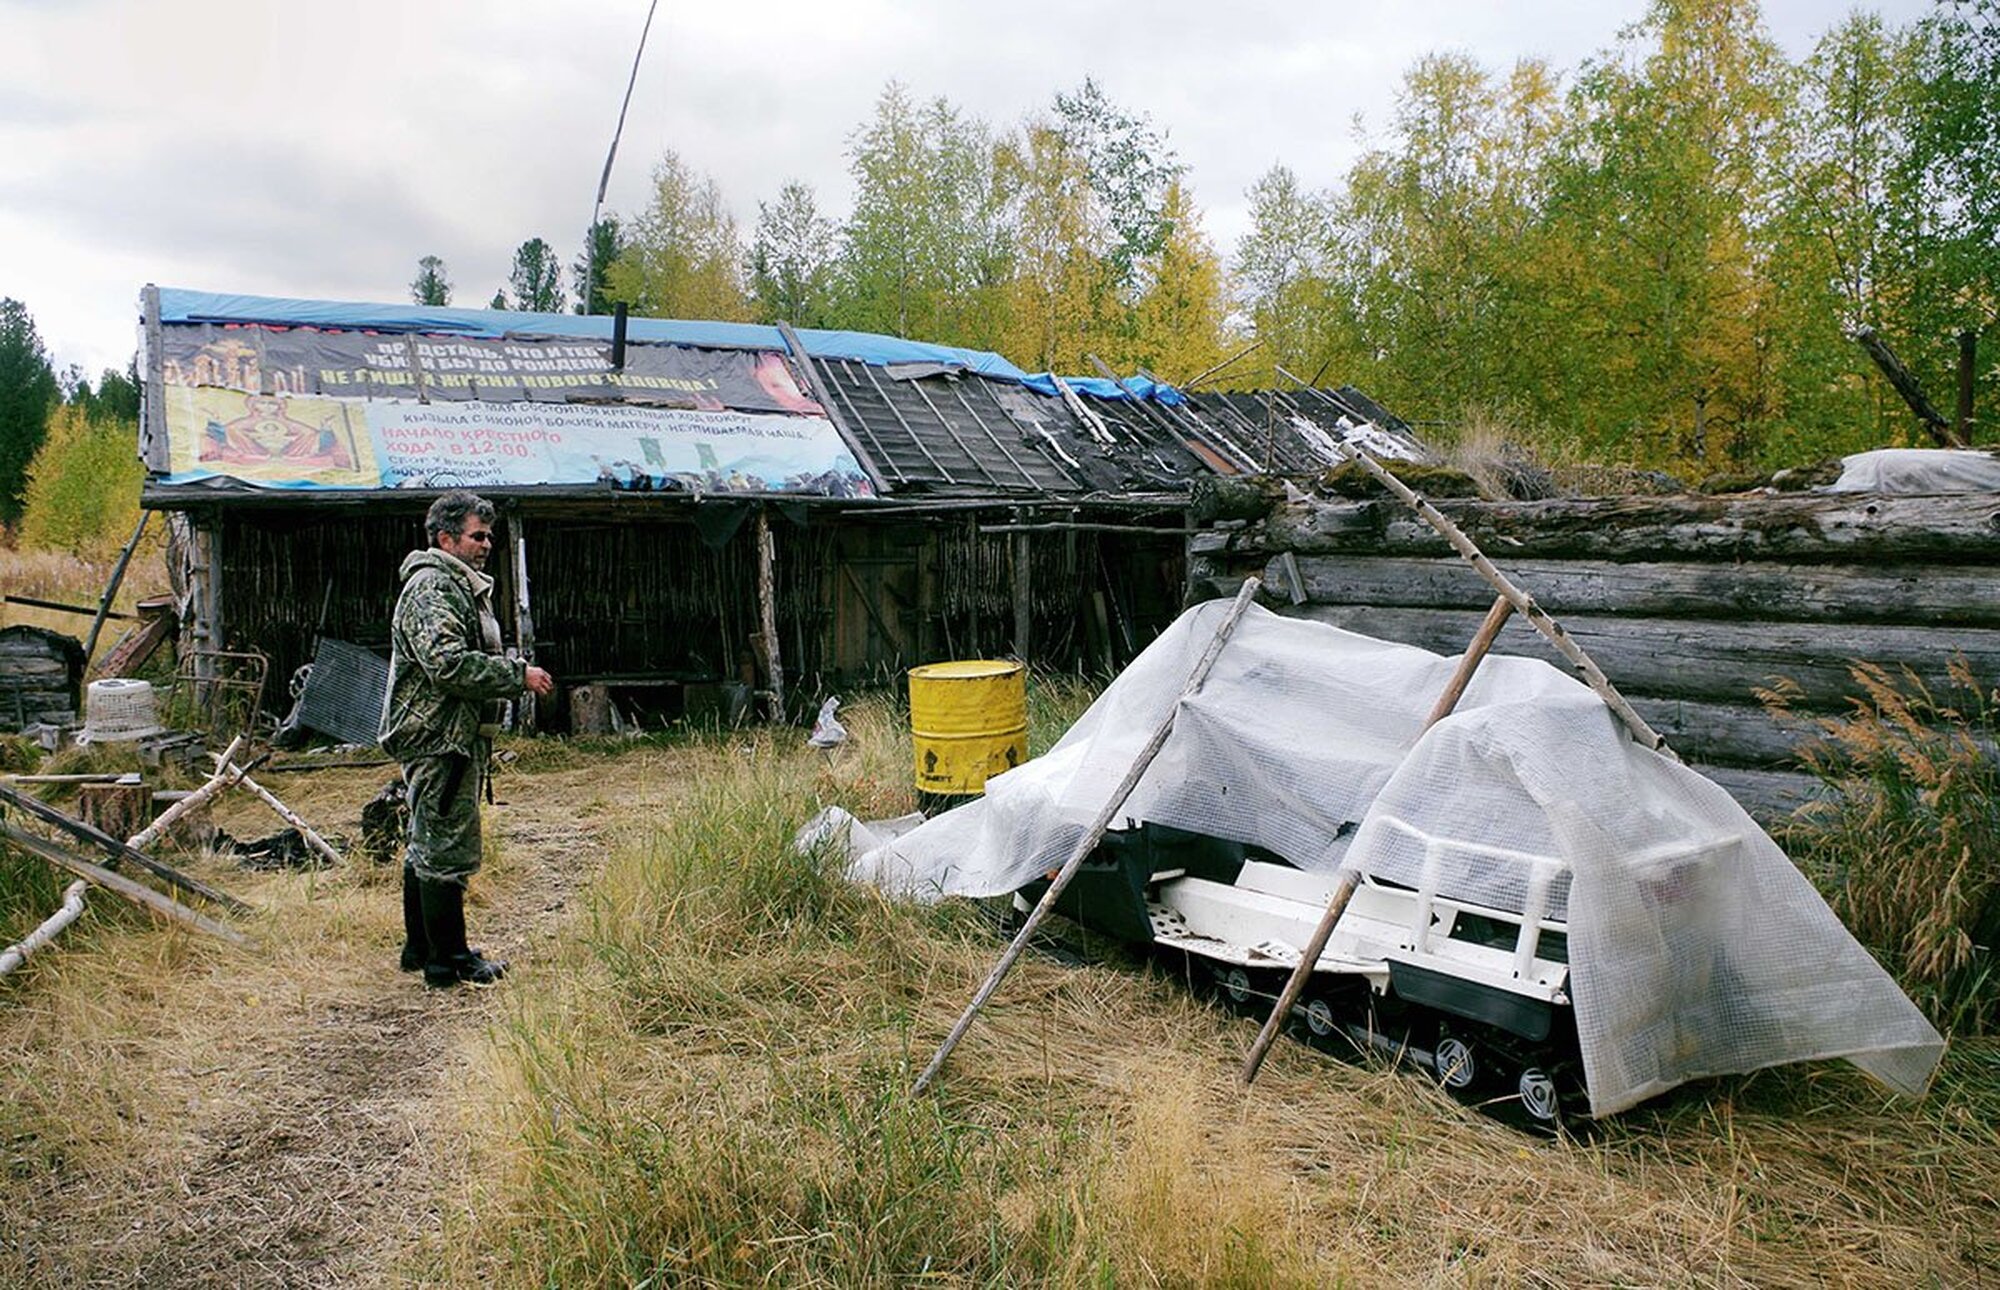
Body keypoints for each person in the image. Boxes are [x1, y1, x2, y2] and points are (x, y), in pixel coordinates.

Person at [379, 491, 555, 987]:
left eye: (489, 535)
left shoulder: (451, 584)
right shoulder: (433, 588)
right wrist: (516, 674)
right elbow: (448, 664)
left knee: (427, 842)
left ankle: (422, 948)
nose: (487, 544)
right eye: (477, 536)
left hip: (445, 733)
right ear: (445, 538)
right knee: (444, 847)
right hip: (439, 736)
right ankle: (449, 962)